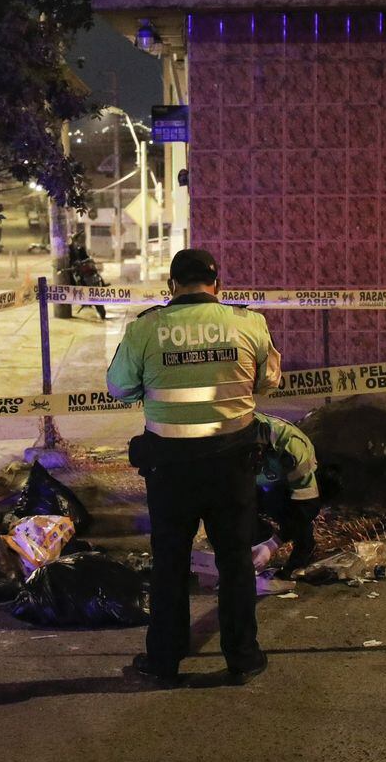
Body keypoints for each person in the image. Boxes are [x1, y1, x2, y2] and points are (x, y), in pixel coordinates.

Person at [108, 248, 282, 687]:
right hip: (232, 465)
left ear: (171, 287)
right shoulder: (247, 323)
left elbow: (120, 387)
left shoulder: (146, 329)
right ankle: (243, 658)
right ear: (218, 286)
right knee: (236, 562)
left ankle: (164, 660)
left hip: (170, 469)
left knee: (170, 563)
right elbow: (267, 381)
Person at [252, 413, 322, 579]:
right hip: (261, 480)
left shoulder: (291, 447)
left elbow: (307, 506)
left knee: (285, 509)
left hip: (287, 482)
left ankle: (304, 550)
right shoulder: (225, 437)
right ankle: (259, 539)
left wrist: (274, 543)